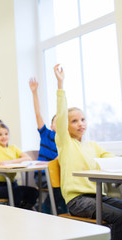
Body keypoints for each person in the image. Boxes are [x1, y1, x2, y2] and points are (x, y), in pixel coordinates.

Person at [54, 64, 122, 240]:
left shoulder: (92, 145)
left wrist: (106, 162)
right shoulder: (65, 143)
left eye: (83, 119)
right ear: (66, 126)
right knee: (119, 218)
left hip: (98, 195)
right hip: (77, 201)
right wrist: (60, 85)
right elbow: (61, 117)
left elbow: (110, 158)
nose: (80, 123)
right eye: (74, 121)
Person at [0, 90, 38, 209]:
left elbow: (28, 158)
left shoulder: (13, 148)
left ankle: (24, 211)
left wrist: (9, 162)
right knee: (18, 193)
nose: (3, 137)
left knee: (33, 192)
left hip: (13, 184)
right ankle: (15, 213)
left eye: (6, 134)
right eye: (0, 135)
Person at [29, 77, 67, 214]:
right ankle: (47, 208)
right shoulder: (46, 134)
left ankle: (62, 210)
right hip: (44, 175)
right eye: (57, 122)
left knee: (66, 184)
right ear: (52, 126)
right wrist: (34, 92)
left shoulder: (66, 140)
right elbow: (38, 113)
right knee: (59, 186)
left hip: (61, 175)